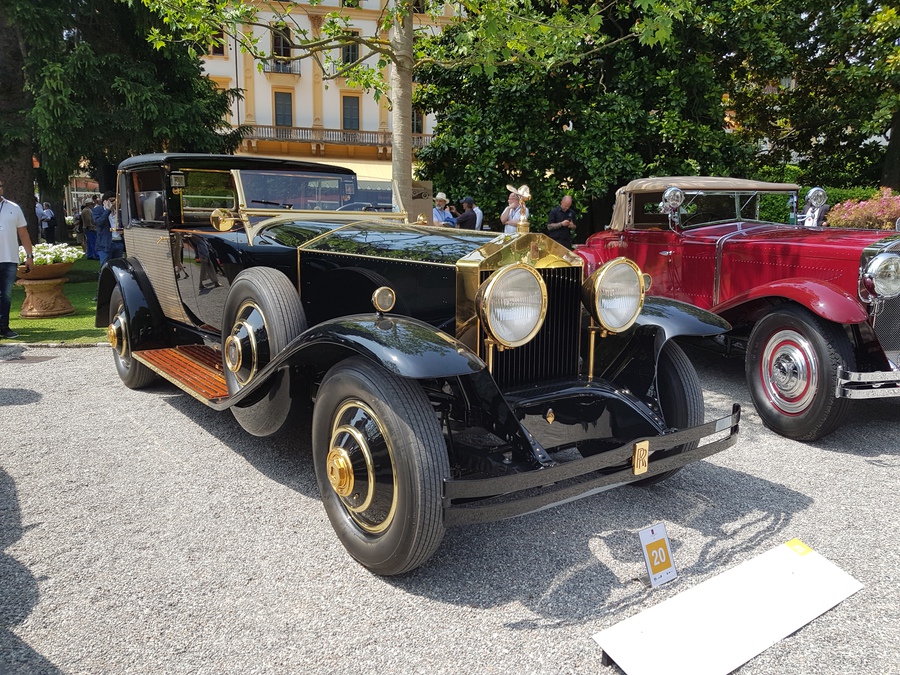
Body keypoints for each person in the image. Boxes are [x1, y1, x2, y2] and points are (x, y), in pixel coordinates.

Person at [1, 180, 35, 339]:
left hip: (9, 258)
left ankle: (4, 327)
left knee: (5, 295)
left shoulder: (13, 208)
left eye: (0, 186)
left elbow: (23, 234)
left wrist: (29, 256)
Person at [93, 196, 113, 266]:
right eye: (111, 200)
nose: (114, 203)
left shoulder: (119, 211)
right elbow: (99, 223)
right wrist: (107, 211)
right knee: (105, 266)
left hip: (118, 243)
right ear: (105, 201)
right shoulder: (97, 210)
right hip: (104, 244)